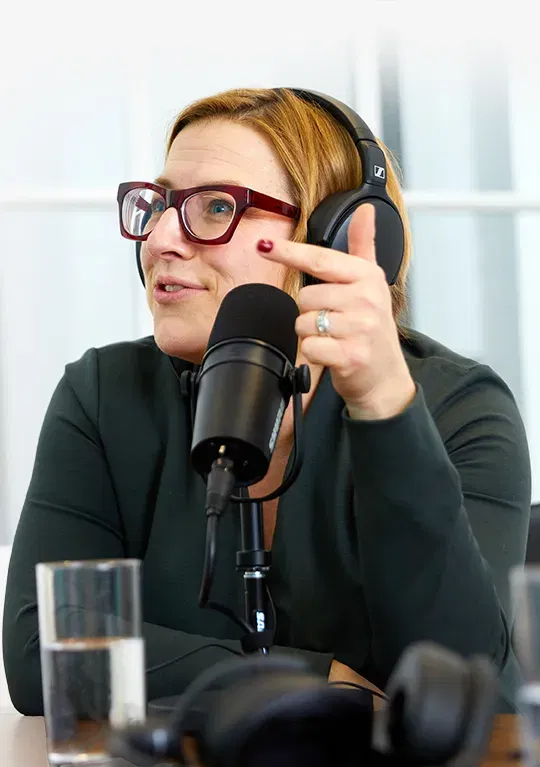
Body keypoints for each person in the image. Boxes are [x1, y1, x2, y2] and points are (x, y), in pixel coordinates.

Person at [2, 87, 530, 716]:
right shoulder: (103, 394)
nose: (162, 238)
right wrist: (315, 681)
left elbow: (465, 685)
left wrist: (384, 407)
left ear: (331, 238)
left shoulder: (460, 408)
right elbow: (47, 653)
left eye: (217, 206)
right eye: (161, 204)